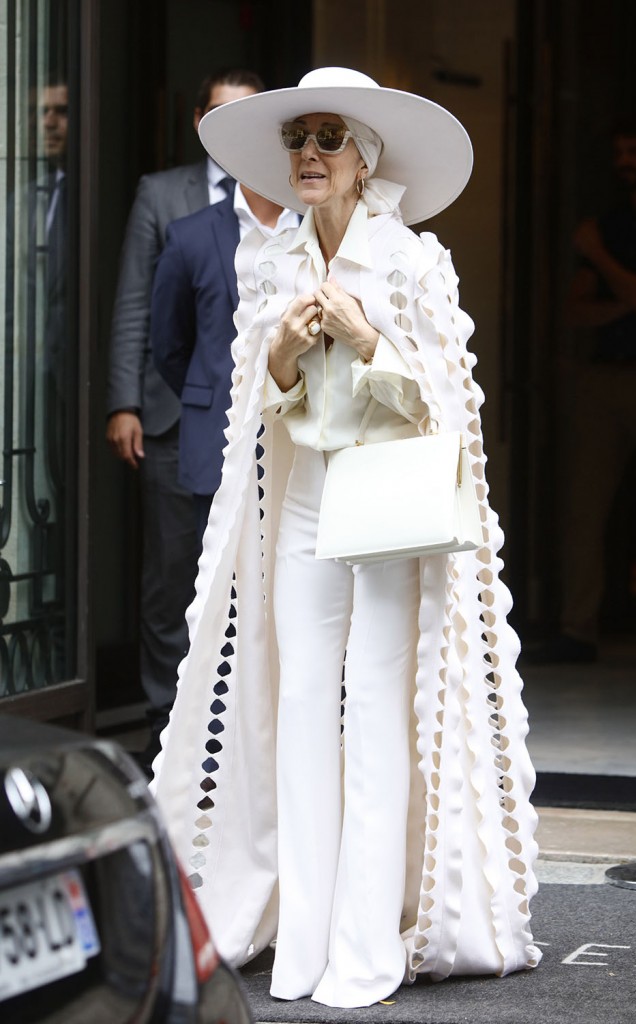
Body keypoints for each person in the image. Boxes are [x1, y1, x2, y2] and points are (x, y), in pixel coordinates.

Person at [150, 67, 540, 1008]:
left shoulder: (412, 262)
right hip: (307, 501)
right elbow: (261, 400)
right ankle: (304, 944)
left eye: (328, 139)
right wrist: (284, 347)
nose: (309, 155)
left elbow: (441, 408)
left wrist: (367, 338)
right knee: (298, 718)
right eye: (298, 140)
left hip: (389, 503)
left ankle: (365, 947)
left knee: (373, 716)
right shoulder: (270, 260)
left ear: (364, 162)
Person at [105, 68, 265, 772]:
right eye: (220, 117)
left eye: (247, 118)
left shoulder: (291, 204)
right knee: (172, 581)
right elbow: (140, 307)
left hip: (265, 426)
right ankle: (164, 726)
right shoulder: (162, 194)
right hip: (175, 420)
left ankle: (234, 734)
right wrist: (127, 401)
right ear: (199, 120)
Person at [529, 122, 636, 663]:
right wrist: (630, 291)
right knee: (583, 508)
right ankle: (578, 629)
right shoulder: (610, 220)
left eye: (635, 149)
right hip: (603, 376)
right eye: (619, 151)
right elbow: (576, 309)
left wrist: (603, 260)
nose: (626, 160)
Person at [150, 181, 300, 541]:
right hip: (218, 435)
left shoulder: (320, 227)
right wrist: (218, 388)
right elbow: (168, 346)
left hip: (303, 440)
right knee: (224, 586)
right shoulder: (190, 236)